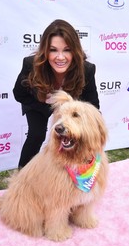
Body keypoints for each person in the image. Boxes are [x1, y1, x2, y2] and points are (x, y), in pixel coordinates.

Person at [13, 19, 100, 168]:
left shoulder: (86, 70)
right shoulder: (31, 64)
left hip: (68, 109)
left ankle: (69, 172)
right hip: (38, 103)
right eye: (53, 50)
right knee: (36, 135)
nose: (60, 57)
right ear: (45, 51)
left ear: (75, 50)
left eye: (67, 50)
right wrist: (45, 106)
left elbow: (93, 106)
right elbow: (19, 94)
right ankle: (22, 176)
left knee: (75, 135)